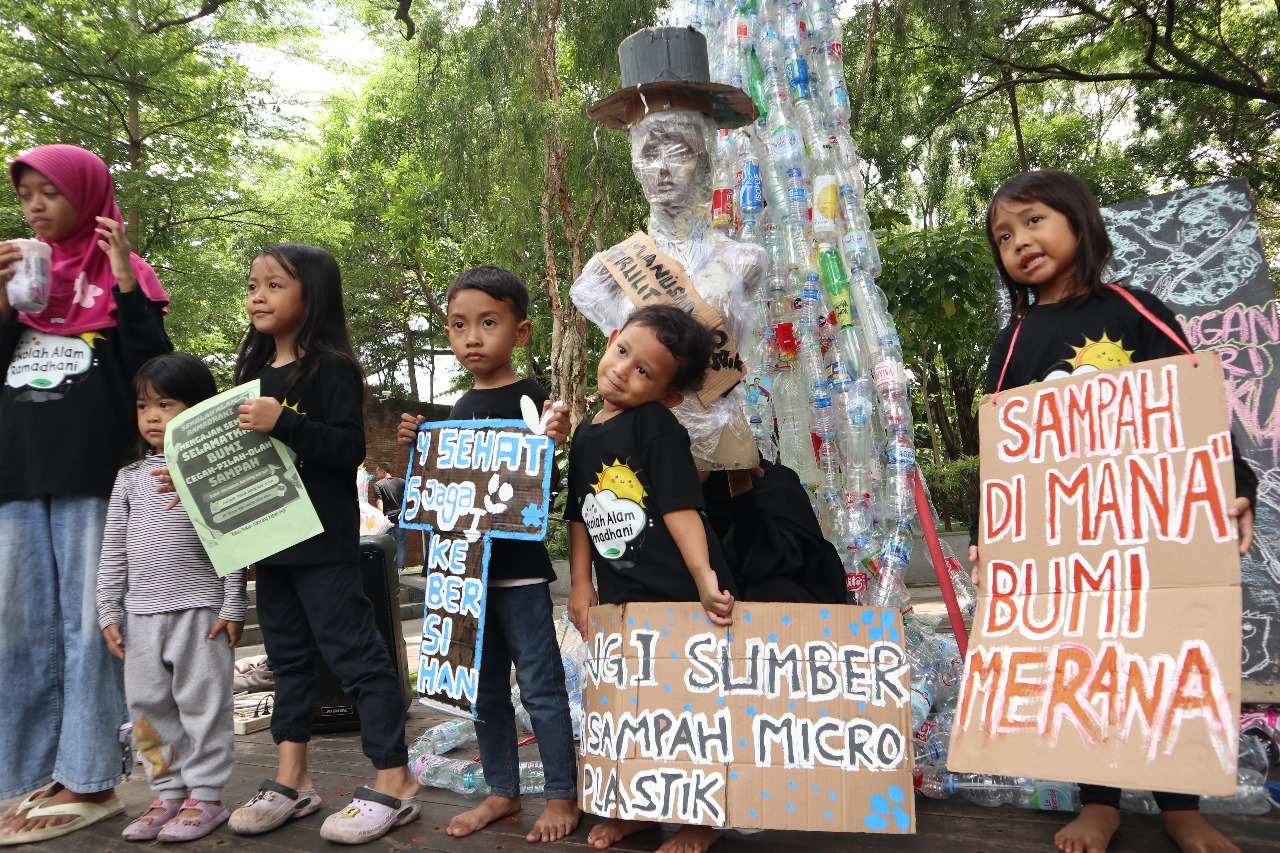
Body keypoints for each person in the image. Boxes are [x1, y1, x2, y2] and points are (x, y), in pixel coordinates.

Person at [969, 169, 1257, 853]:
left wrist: (1232, 480)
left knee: (1164, 655)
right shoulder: (1008, 345)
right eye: (1004, 236)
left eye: (1033, 220)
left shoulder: (1135, 307)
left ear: (1080, 221)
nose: (1020, 242)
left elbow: (1197, 400)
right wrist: (992, 536)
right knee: (1085, 661)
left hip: (1151, 529)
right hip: (1066, 544)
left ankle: (1180, 806)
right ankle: (1098, 800)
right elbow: (998, 453)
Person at [168, 243, 417, 845]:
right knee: (287, 661)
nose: (257, 295)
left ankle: (394, 779)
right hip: (268, 548)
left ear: (312, 296)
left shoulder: (331, 368)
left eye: (274, 285)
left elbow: (346, 451)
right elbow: (239, 464)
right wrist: (194, 485)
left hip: (323, 545)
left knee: (358, 657)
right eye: (252, 284)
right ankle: (291, 778)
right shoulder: (250, 377)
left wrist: (285, 420)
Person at [0, 144, 172, 846]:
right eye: (25, 194)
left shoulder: (123, 276)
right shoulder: (20, 281)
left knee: (86, 624)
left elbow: (154, 373)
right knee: (17, 627)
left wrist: (127, 281)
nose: (35, 206)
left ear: (88, 195)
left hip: (93, 477)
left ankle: (92, 776)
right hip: (15, 477)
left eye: (49, 192)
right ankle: (31, 771)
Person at [395, 265, 576, 843]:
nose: (471, 338)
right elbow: (442, 494)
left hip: (520, 577)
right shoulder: (457, 409)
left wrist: (551, 441)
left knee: (543, 690)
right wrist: (420, 447)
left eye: (487, 323)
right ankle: (502, 792)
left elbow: (539, 492)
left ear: (520, 332)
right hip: (465, 579)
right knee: (485, 690)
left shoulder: (533, 401)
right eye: (457, 326)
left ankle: (562, 798)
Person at [565, 304, 738, 853]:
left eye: (644, 371)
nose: (622, 369)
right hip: (621, 598)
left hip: (680, 594)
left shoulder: (655, 424)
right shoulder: (584, 436)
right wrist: (580, 584)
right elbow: (578, 516)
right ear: (611, 339)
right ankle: (640, 810)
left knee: (691, 709)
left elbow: (682, 508)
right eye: (623, 353)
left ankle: (702, 817)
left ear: (668, 395)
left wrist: (705, 580)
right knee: (634, 706)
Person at [571, 27, 766, 472]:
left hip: (725, 458)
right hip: (641, 456)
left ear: (704, 155)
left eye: (677, 149)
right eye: (648, 151)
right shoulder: (607, 268)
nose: (660, 168)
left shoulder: (743, 260)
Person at [96, 353, 247, 842]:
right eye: (144, 407)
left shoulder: (212, 470)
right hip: (140, 616)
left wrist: (232, 604)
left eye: (167, 403)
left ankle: (206, 798)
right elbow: (113, 548)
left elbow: (232, 539)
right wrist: (107, 610)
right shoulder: (128, 478)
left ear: (199, 410)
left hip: (200, 612)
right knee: (146, 708)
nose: (154, 417)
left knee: (203, 706)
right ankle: (166, 794)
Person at [372, 462, 407, 569]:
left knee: (383, 543)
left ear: (383, 471)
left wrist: (382, 517)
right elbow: (408, 498)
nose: (377, 476)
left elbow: (379, 501)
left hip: (386, 518)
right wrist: (403, 511)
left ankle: (385, 566)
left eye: (377, 473)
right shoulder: (402, 482)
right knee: (400, 542)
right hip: (400, 517)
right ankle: (400, 567)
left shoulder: (378, 484)